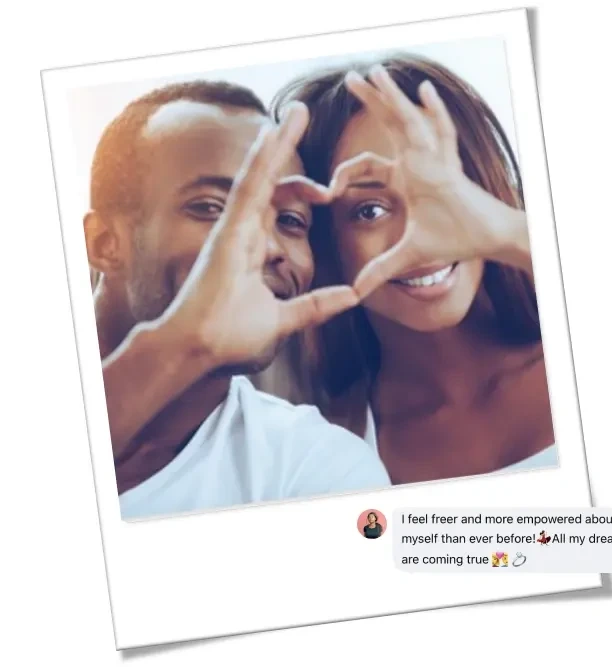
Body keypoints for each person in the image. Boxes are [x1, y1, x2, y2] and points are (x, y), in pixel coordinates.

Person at [85, 80, 391, 519]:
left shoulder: (315, 469)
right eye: (212, 208)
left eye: (289, 219)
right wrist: (177, 348)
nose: (265, 245)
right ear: (104, 242)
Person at [271, 54, 558, 485]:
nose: (419, 233)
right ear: (325, 240)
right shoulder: (323, 443)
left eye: (444, 191)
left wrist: (508, 232)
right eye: (369, 210)